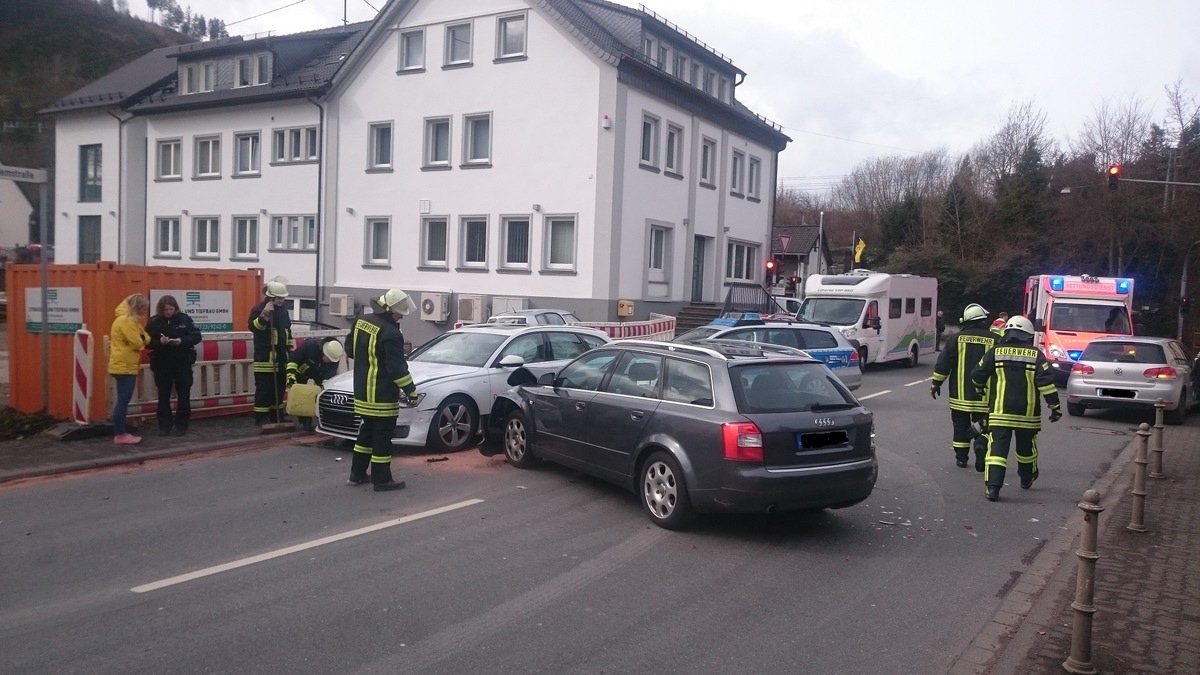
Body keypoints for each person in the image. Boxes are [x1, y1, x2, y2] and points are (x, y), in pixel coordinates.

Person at [970, 315, 1062, 502]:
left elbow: (977, 374)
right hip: (1027, 414)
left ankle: (993, 488)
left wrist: (980, 388)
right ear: (1027, 335)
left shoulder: (995, 352)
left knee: (997, 450)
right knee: (1026, 449)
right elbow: (1046, 383)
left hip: (1000, 412)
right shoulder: (1036, 355)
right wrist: (1055, 406)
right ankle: (1026, 478)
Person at [347, 289, 417, 491]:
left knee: (365, 434)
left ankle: (357, 474)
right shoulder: (391, 333)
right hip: (382, 395)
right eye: (399, 313)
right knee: (382, 439)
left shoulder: (362, 321)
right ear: (389, 309)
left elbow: (350, 350)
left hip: (362, 393)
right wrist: (410, 390)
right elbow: (396, 368)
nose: (402, 316)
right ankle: (382, 479)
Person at [931, 303, 996, 471]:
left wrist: (936, 384)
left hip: (959, 396)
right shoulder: (995, 340)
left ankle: (961, 458)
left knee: (960, 425)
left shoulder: (956, 339)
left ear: (966, 320)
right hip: (986, 396)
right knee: (983, 424)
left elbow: (944, 364)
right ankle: (981, 444)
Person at [146, 295, 203, 436]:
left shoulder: (185, 319)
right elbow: (146, 342)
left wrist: (181, 341)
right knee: (163, 396)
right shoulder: (154, 322)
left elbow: (196, 336)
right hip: (162, 363)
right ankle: (164, 426)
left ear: (175, 308)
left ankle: (181, 426)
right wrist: (159, 342)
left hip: (182, 362)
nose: (168, 312)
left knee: (184, 395)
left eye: (171, 309)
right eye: (165, 310)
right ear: (161, 309)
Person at [248, 279, 293, 428]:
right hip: (265, 359)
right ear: (270, 297)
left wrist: (290, 344)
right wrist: (264, 315)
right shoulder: (259, 309)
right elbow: (255, 328)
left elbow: (287, 331)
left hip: (280, 358)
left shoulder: (283, 311)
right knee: (264, 390)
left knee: (279, 389)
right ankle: (261, 418)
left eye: (282, 298)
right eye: (278, 298)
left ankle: (277, 416)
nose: (281, 300)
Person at [109, 293, 151, 445]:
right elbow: (138, 342)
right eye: (144, 308)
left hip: (121, 364)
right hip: (125, 365)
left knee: (122, 400)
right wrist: (142, 338)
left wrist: (143, 338)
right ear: (138, 307)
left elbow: (145, 338)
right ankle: (120, 435)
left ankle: (120, 433)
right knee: (123, 400)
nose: (145, 312)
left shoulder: (126, 319)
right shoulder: (128, 321)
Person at [286, 337, 344, 431]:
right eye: (328, 358)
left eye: (331, 360)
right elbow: (293, 360)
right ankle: (306, 423)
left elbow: (328, 376)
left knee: (322, 395)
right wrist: (291, 376)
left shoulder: (335, 357)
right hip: (301, 371)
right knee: (302, 395)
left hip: (319, 373)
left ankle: (323, 420)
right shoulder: (310, 346)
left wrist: (324, 389)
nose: (329, 361)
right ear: (324, 352)